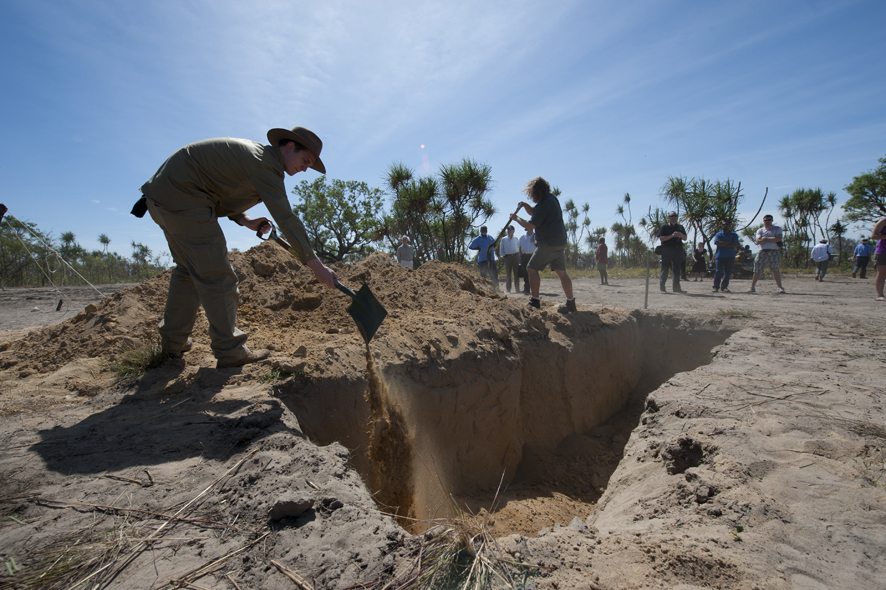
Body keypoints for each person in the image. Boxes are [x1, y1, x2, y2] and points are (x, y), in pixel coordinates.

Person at [138, 126, 338, 368]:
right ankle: (230, 351)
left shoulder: (258, 159)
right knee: (219, 277)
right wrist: (315, 265)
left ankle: (172, 344)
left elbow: (219, 189)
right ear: (289, 147)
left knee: (187, 272)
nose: (305, 168)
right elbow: (287, 219)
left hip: (163, 198)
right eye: (305, 160)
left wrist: (245, 220)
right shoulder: (266, 164)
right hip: (185, 199)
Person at [509, 177, 576, 313]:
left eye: (531, 193)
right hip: (559, 242)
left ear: (537, 191)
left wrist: (516, 218)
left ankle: (535, 301)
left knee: (531, 269)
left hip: (548, 242)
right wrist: (526, 206)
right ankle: (571, 302)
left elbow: (530, 225)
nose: (531, 196)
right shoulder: (550, 200)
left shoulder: (545, 203)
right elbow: (535, 212)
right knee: (562, 272)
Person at [747, 214, 786, 294]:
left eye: (769, 220)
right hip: (762, 251)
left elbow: (778, 238)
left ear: (772, 220)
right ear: (763, 221)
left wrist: (765, 238)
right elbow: (758, 241)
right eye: (766, 220)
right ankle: (752, 287)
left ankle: (780, 287)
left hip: (773, 251)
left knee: (775, 269)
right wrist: (772, 239)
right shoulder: (760, 230)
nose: (767, 221)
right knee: (757, 269)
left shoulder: (777, 228)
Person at [658, 211, 688, 294]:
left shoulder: (680, 227)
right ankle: (663, 288)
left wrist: (680, 235)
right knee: (665, 269)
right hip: (667, 249)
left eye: (675, 216)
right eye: (672, 216)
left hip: (678, 249)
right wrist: (672, 235)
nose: (674, 217)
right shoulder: (665, 227)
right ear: (669, 218)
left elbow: (685, 238)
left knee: (677, 269)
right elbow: (661, 238)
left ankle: (676, 288)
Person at [712, 221, 740, 293]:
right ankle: (715, 287)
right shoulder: (719, 234)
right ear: (721, 226)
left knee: (728, 272)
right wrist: (729, 242)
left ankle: (724, 287)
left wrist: (723, 243)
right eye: (724, 224)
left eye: (727, 224)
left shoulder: (734, 234)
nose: (725, 226)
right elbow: (717, 243)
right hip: (720, 256)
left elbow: (736, 243)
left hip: (730, 256)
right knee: (718, 271)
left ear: (729, 225)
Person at [498, 225, 521, 293]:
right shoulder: (503, 239)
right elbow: (501, 248)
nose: (509, 231)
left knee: (516, 273)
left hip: (516, 256)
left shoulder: (516, 238)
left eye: (510, 230)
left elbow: (519, 247)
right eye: (508, 230)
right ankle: (508, 289)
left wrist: (519, 256)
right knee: (508, 274)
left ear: (513, 231)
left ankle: (517, 289)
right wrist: (504, 256)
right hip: (508, 257)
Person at [518, 226, 537, 294]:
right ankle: (526, 289)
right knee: (525, 273)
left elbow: (540, 246)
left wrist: (534, 241)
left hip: (533, 255)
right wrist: (521, 256)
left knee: (533, 273)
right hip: (524, 256)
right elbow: (519, 247)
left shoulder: (536, 236)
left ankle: (534, 289)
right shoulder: (522, 237)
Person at [872, 217, 886, 301]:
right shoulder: (883, 221)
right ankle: (880, 295)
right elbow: (873, 236)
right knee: (882, 274)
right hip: (883, 251)